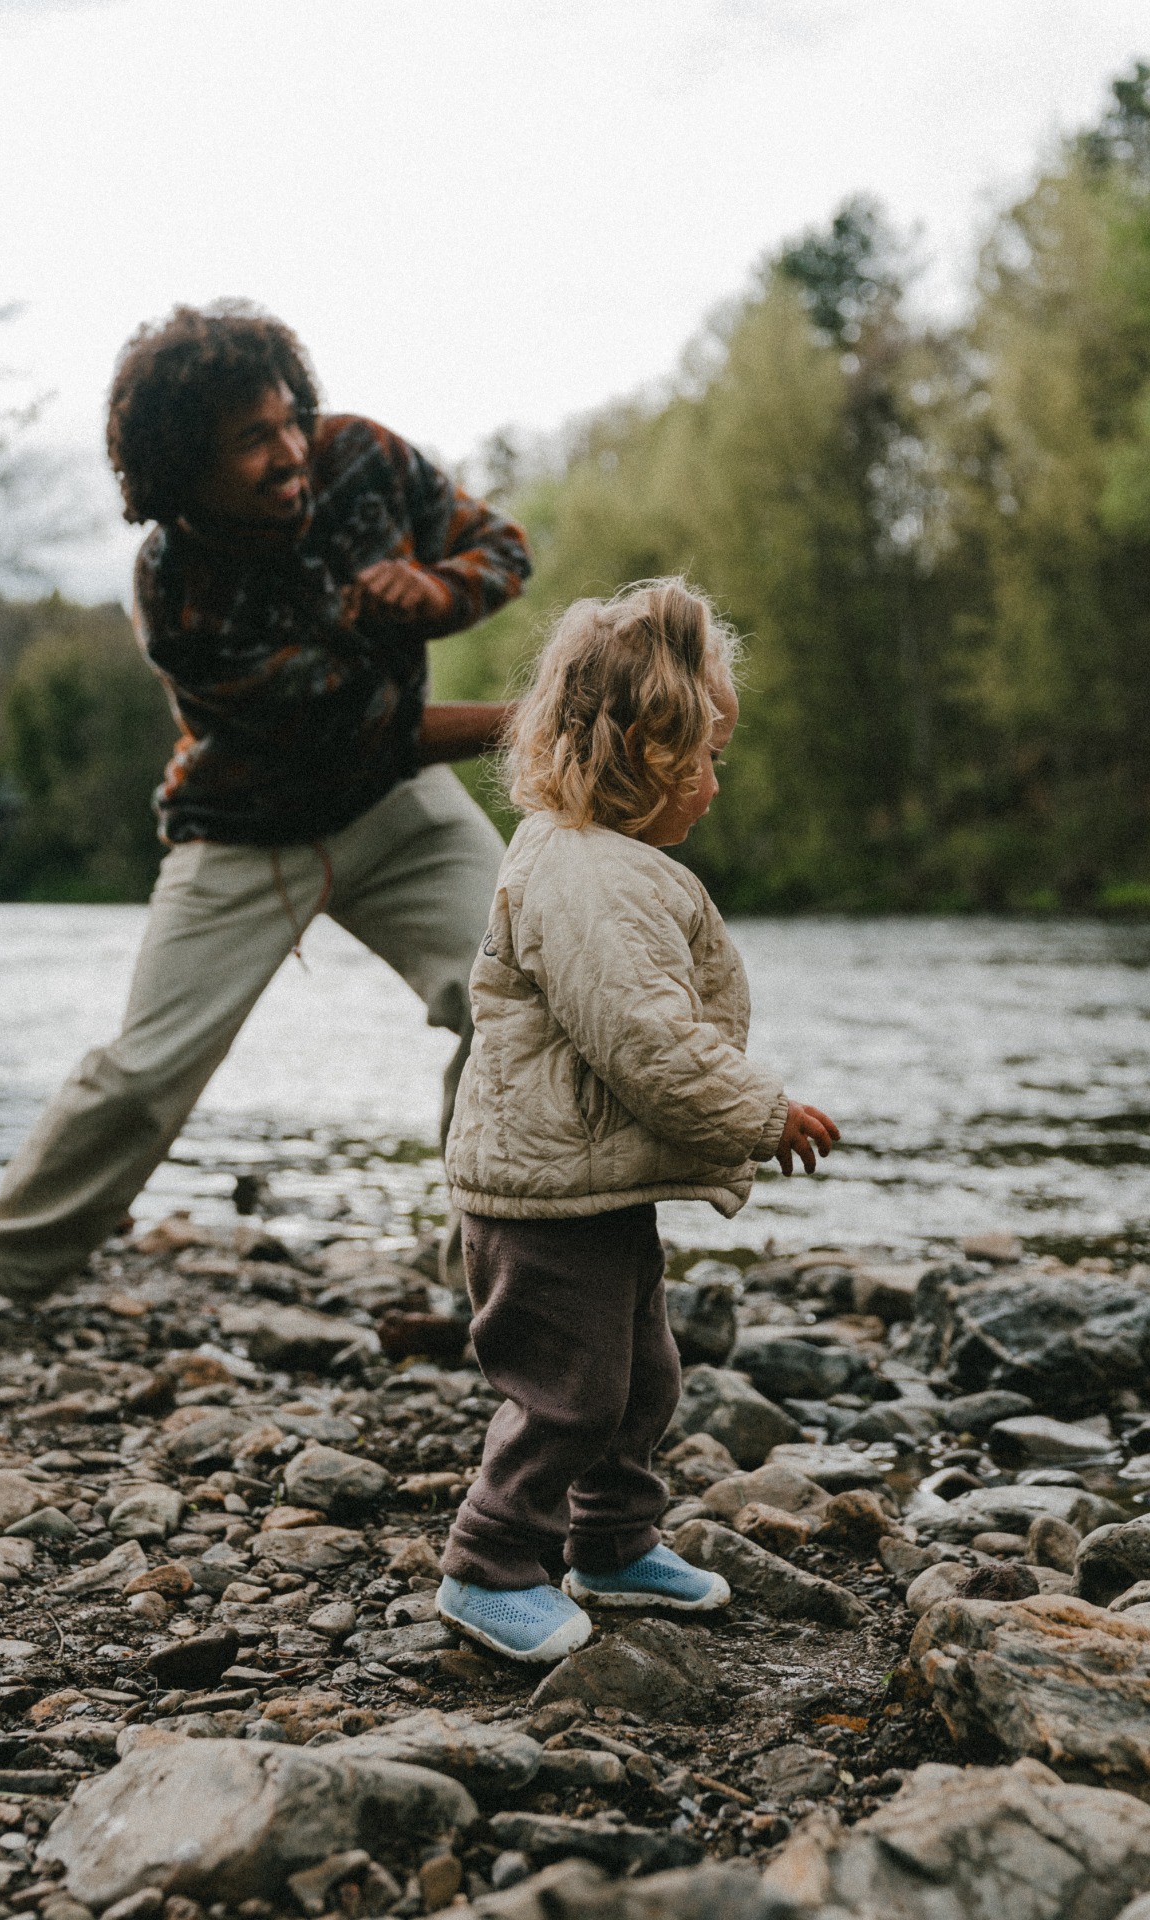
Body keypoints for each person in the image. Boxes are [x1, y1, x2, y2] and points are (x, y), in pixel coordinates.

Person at [0, 303, 531, 1326]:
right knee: (141, 1075)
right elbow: (360, 728)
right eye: (251, 442)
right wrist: (547, 720)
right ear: (184, 470)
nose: (288, 454)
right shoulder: (174, 589)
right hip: (246, 837)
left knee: (523, 999)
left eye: (286, 421)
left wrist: (438, 592)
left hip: (397, 812)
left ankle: (498, 1284)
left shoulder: (359, 455)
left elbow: (500, 547)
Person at [434, 578, 840, 1663]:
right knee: (567, 1393)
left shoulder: (612, 866)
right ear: (636, 763)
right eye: (700, 760)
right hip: (538, 1196)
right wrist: (762, 1112)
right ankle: (487, 1560)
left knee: (640, 1374)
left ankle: (610, 1545)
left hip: (590, 1184)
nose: (712, 784)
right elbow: (643, 1041)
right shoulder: (580, 877)